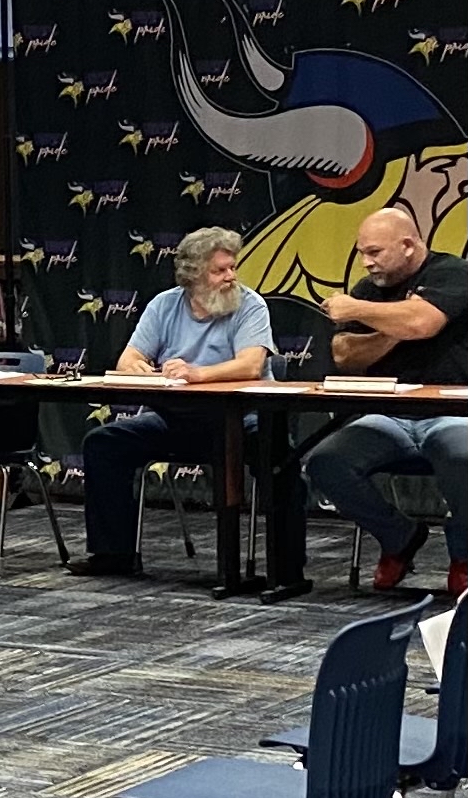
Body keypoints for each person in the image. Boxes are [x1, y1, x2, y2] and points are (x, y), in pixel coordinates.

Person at [67, 227, 274, 578]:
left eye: (232, 268)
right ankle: (113, 555)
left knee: (279, 456)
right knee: (104, 443)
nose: (231, 277)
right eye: (220, 270)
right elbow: (128, 360)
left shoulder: (250, 305)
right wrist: (144, 373)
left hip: (241, 421)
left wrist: (198, 374)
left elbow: (251, 364)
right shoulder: (164, 305)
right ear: (192, 276)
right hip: (177, 420)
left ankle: (281, 567)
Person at [306, 207, 468, 596]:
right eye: (363, 252)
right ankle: (400, 537)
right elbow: (345, 353)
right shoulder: (370, 287)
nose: (367, 262)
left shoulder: (452, 273)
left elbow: (423, 323)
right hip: (388, 414)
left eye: (375, 252)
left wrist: (359, 311)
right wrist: (394, 331)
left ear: (409, 246)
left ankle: (463, 553)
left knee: (463, 457)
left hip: (452, 412)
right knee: (326, 462)